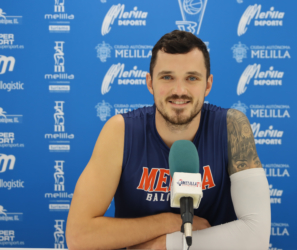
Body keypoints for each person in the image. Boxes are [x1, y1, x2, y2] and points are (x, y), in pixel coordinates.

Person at [66, 30, 271, 250]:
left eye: (192, 78)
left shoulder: (232, 127)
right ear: (150, 83)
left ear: (208, 84)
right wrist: (172, 222)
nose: (179, 90)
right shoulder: (121, 131)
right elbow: (79, 236)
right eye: (167, 77)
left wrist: (163, 245)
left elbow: (256, 236)